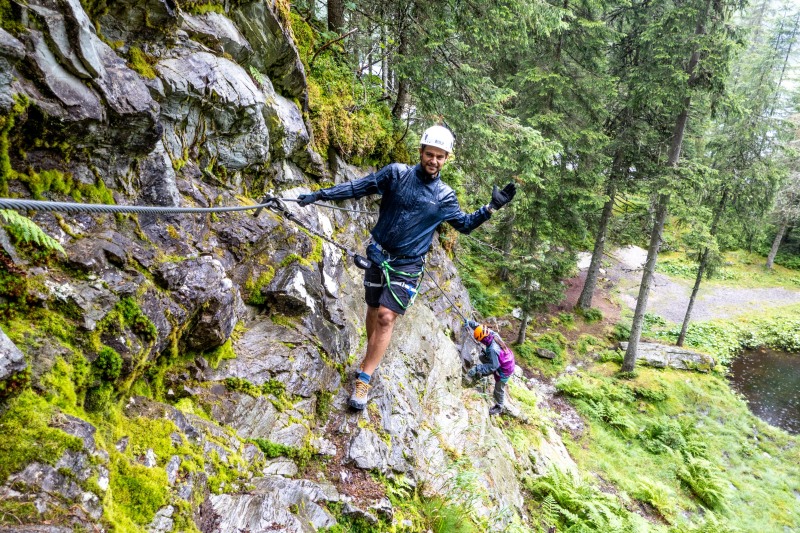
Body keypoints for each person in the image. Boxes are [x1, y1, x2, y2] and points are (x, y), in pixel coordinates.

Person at [296, 125, 517, 410]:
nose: (433, 161)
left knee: (387, 317)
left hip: (409, 266)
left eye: (440, 156)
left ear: (446, 159)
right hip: (378, 254)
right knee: (374, 311)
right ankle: (370, 357)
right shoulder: (396, 174)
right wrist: (320, 194)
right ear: (421, 152)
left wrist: (490, 208)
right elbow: (358, 187)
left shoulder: (445, 197)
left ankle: (365, 377)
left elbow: (463, 226)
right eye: (430, 154)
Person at [465, 320, 516, 415]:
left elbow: (494, 366)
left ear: (483, 340)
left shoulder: (493, 349)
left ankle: (499, 406)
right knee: (482, 356)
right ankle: (484, 373)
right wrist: (469, 322)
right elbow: (479, 327)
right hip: (506, 359)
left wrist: (477, 368)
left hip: (505, 370)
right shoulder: (491, 334)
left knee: (498, 389)